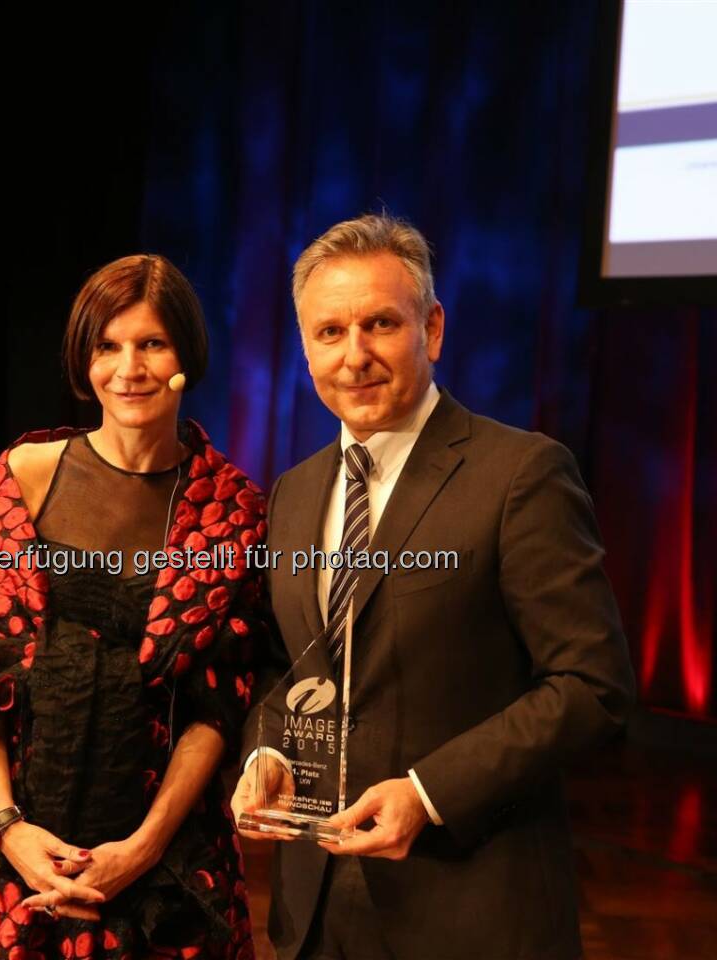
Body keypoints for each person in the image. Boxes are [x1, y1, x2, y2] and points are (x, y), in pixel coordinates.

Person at [231, 214, 636, 960]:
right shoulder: (292, 493)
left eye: (380, 324)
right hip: (315, 914)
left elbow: (592, 685)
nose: (354, 356)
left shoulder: (521, 475)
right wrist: (268, 754)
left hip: (471, 908)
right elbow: (281, 665)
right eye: (329, 333)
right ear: (305, 347)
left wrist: (426, 792)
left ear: (434, 328)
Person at [0, 254, 267, 960]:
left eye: (151, 344)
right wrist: (9, 827)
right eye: (108, 345)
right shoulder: (26, 476)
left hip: (161, 860)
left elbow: (218, 702)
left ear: (186, 354)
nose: (128, 368)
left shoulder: (231, 510)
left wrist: (141, 849)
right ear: (84, 357)